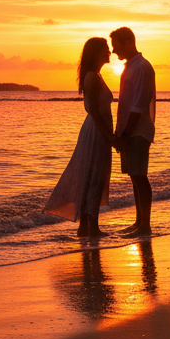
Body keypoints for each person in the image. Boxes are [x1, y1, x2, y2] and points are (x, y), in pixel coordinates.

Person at [43, 37, 116, 238]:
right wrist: (108, 136)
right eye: (105, 50)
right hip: (95, 132)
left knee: (95, 178)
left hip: (98, 131)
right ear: (96, 53)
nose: (109, 52)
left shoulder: (97, 75)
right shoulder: (92, 76)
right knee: (94, 178)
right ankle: (90, 226)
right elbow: (93, 109)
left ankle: (87, 226)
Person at [110, 26, 156, 236]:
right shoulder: (130, 67)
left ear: (127, 42)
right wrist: (121, 132)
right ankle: (139, 223)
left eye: (116, 45)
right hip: (129, 131)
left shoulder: (142, 68)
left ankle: (145, 225)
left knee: (139, 177)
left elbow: (138, 104)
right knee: (134, 177)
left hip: (137, 132)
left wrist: (126, 134)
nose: (113, 51)